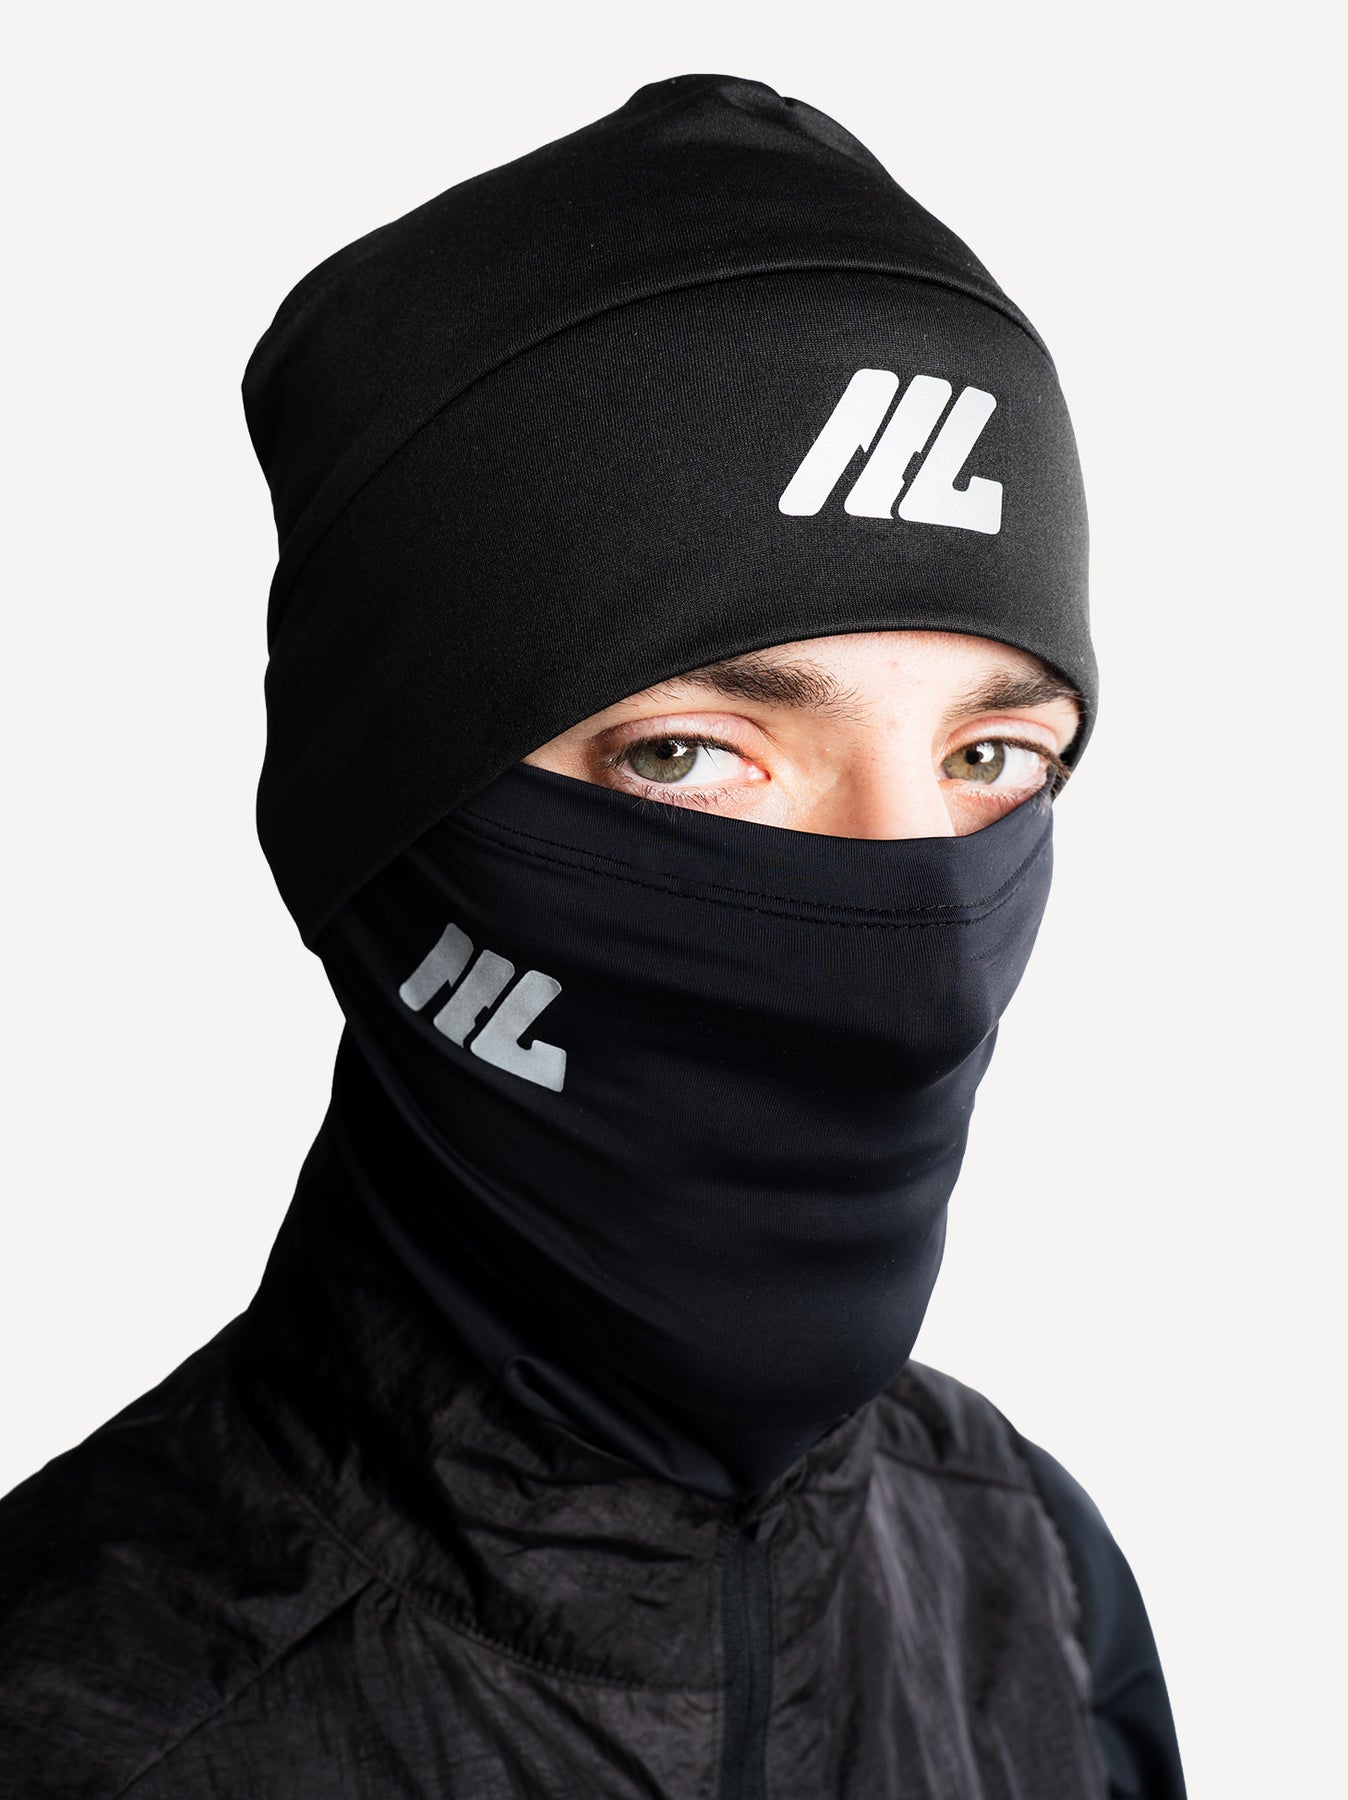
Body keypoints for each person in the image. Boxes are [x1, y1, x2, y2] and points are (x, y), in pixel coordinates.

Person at [0, 73, 1186, 1798]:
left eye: (990, 757)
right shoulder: (75, 1726)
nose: (920, 927)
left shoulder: (1036, 1580)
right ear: (395, 831)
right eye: (693, 755)